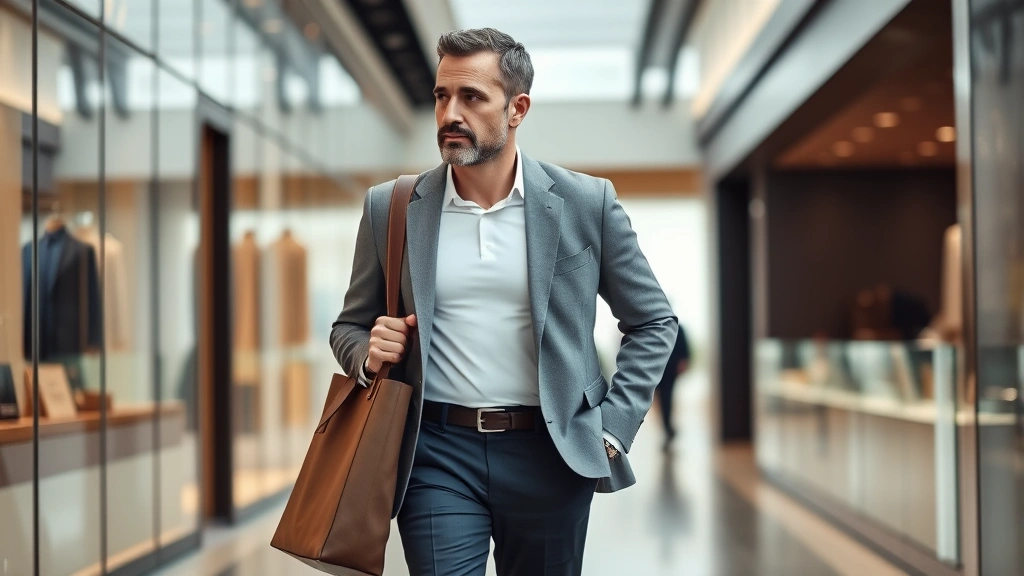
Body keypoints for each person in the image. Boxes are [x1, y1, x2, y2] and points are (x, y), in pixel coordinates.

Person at [330, 28, 676, 576]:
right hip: (435, 453)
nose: (450, 112)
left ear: (518, 108)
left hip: (551, 452)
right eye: (442, 96)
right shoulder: (392, 207)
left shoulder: (587, 203)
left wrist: (610, 430)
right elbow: (348, 327)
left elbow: (654, 321)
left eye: (472, 97)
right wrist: (367, 354)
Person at [656, 323, 691, 450]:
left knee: (666, 399)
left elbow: (684, 348)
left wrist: (684, 361)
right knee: (662, 400)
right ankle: (668, 428)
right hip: (657, 370)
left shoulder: (677, 327)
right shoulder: (655, 326)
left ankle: (668, 428)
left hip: (669, 370)